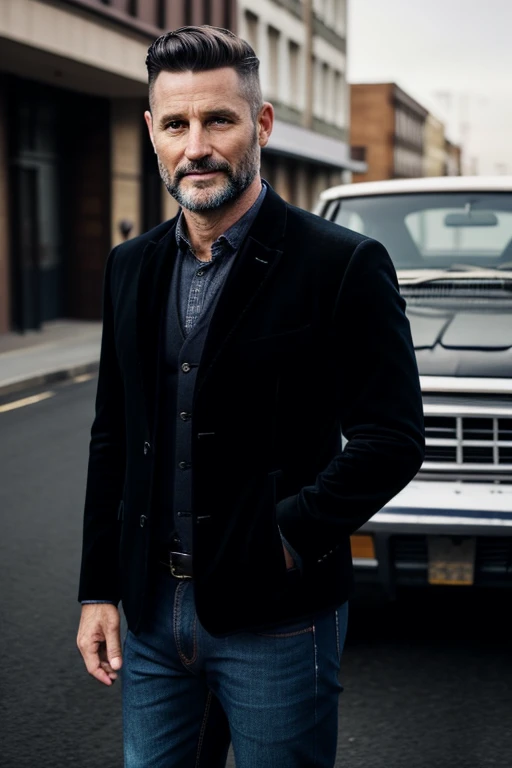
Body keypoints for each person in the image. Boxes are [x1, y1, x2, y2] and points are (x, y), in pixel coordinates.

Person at [76, 25, 425, 768]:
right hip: (149, 620)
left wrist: (288, 538)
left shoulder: (343, 264)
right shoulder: (129, 267)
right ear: (153, 133)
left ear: (260, 124)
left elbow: (392, 437)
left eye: (218, 120)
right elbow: (114, 434)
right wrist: (97, 590)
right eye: (176, 124)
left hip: (277, 618)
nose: (195, 145)